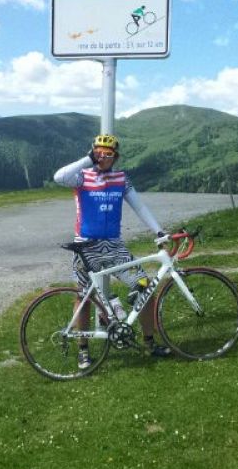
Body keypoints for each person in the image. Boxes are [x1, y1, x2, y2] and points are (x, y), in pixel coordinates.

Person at [53, 133, 171, 369]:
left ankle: (150, 342)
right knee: (83, 297)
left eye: (108, 154)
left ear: (115, 157)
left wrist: (159, 232)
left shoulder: (121, 179)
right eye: (98, 152)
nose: (102, 157)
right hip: (86, 246)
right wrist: (88, 159)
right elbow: (58, 176)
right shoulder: (81, 177)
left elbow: (140, 207)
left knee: (147, 288)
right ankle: (83, 351)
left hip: (114, 246)